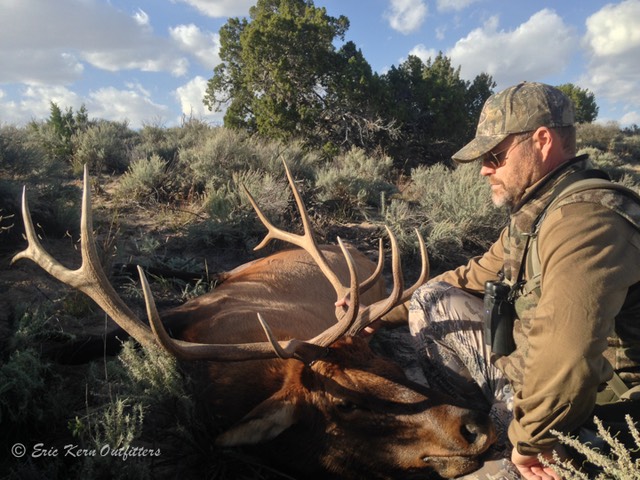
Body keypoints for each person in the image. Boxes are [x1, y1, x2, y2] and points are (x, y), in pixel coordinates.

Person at [391, 81, 640, 479]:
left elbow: (567, 357)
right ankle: (483, 427)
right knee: (432, 299)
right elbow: (469, 276)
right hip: (549, 381)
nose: (485, 169)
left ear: (542, 141)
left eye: (495, 155)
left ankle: (509, 447)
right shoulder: (538, 215)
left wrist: (528, 442)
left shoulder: (586, 222)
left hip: (602, 411)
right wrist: (383, 312)